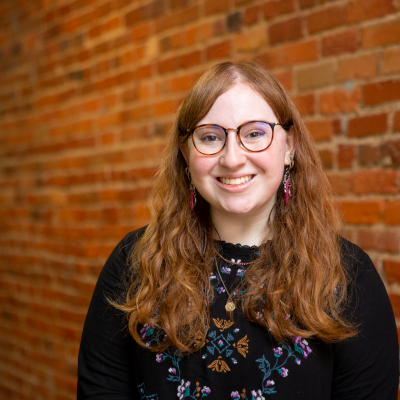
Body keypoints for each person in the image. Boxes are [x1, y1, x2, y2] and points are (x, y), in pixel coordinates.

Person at [77, 61, 399, 399]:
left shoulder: (348, 276)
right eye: (211, 137)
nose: (232, 158)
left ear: (289, 147)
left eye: (255, 133)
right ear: (186, 154)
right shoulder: (135, 262)